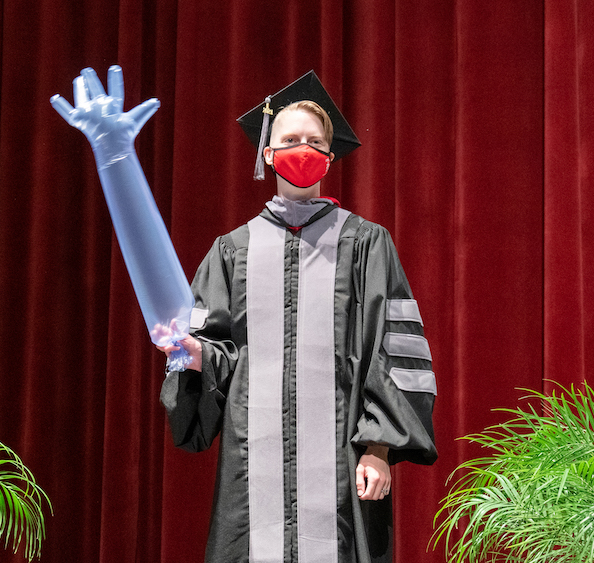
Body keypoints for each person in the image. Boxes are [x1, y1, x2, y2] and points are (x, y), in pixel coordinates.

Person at [158, 71, 437, 563]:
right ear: (268, 152)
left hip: (341, 468)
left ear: (330, 157)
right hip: (253, 474)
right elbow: (221, 355)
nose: (302, 149)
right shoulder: (232, 252)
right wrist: (196, 355)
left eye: (314, 142)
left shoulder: (366, 244)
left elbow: (391, 349)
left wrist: (378, 447)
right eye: (290, 140)